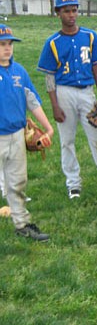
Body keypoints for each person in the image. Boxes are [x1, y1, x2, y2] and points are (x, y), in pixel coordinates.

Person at [37, 0, 97, 199]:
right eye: (66, 11)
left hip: (87, 92)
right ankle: (73, 183)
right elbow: (49, 77)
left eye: (74, 10)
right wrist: (54, 105)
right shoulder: (53, 42)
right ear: (58, 13)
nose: (71, 15)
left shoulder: (89, 36)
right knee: (67, 140)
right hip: (64, 92)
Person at [0, 24, 54, 242]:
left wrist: (48, 127)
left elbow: (32, 101)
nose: (7, 48)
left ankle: (22, 224)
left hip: (16, 135)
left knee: (17, 181)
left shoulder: (19, 72)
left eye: (9, 44)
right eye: (2, 44)